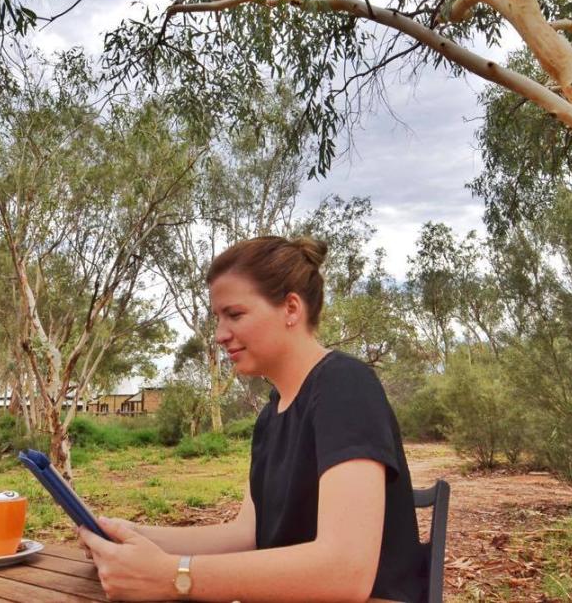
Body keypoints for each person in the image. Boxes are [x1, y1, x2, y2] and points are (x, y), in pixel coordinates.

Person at [78, 236, 426, 602]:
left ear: (291, 308)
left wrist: (174, 576)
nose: (219, 335)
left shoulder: (345, 386)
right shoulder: (270, 416)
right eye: (217, 317)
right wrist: (133, 536)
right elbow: (246, 534)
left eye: (235, 314)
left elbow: (346, 570)